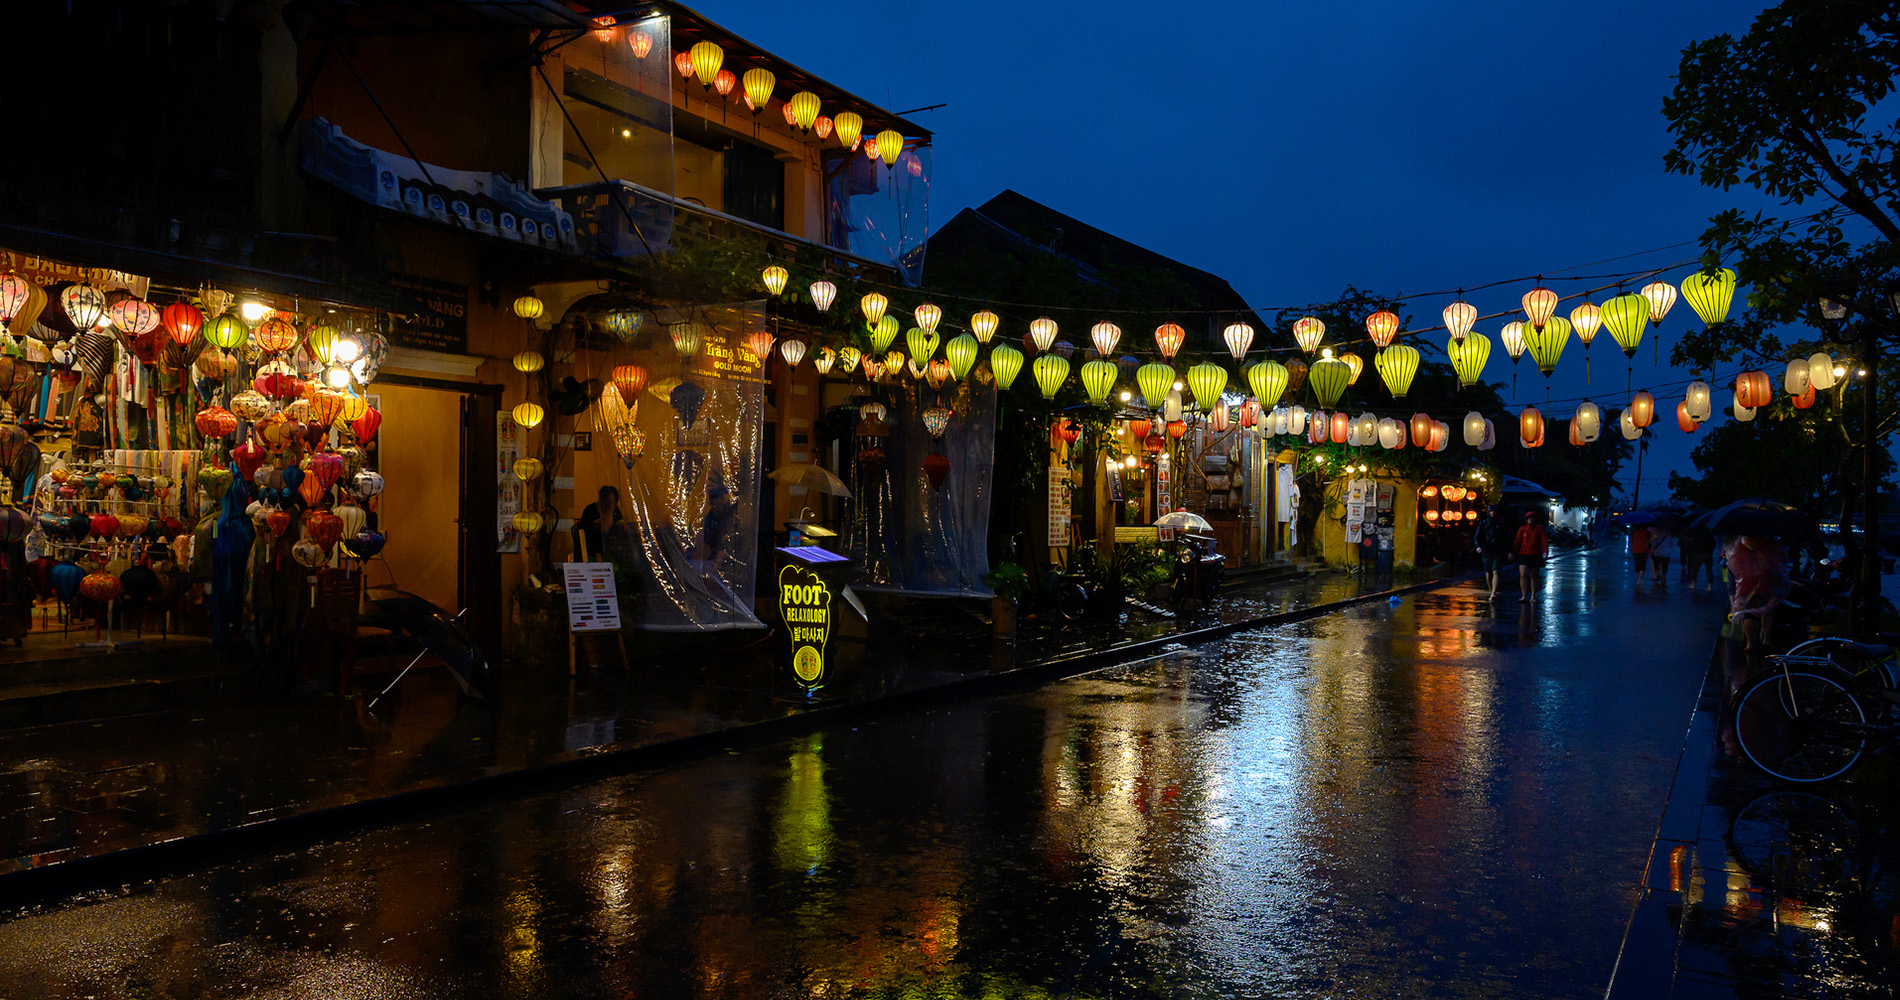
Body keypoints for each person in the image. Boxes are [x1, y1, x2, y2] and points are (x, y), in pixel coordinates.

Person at [1727, 534, 1790, 652]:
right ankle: (1766, 639)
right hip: (1768, 579)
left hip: (1747, 581)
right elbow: (1783, 558)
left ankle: (1750, 643)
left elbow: (1732, 562)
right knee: (1768, 610)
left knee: (1748, 613)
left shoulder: (1740, 544)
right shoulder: (1770, 543)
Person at [1474, 504, 1514, 600]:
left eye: (1494, 511)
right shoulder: (1484, 523)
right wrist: (1478, 546)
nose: (1493, 513)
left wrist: (1509, 551)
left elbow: (1507, 538)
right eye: (1491, 511)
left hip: (1498, 550)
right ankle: (1491, 590)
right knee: (1488, 572)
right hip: (1486, 550)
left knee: (1496, 571)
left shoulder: (1502, 523)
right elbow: (1477, 536)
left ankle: (1493, 592)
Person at [576, 485, 622, 561]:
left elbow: (621, 524)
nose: (611, 505)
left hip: (611, 547)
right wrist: (610, 512)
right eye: (609, 502)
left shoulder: (615, 509)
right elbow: (605, 528)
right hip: (592, 549)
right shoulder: (590, 510)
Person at [1515, 509, 1549, 601]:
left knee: (1534, 576)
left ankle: (1533, 595)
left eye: (1532, 518)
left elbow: (1544, 541)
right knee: (1523, 574)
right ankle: (1524, 595)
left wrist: (1545, 551)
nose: (1530, 519)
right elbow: (1517, 542)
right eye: (1528, 518)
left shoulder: (1539, 529)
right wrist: (1513, 552)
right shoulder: (1522, 529)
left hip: (1535, 554)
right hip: (1523, 554)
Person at [1681, 526, 1717, 592]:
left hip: (1698, 555)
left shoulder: (1696, 535)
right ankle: (1709, 586)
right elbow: (1714, 545)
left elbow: (1692, 545)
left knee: (1695, 570)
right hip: (1708, 555)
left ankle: (1693, 584)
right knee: (1709, 570)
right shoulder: (1709, 536)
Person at [1629, 524, 1652, 590]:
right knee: (1642, 564)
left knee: (1637, 564)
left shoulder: (1634, 532)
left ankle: (1639, 578)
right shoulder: (1647, 532)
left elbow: (1630, 541)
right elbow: (1655, 536)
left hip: (1635, 550)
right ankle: (1640, 579)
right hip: (1644, 550)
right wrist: (1648, 542)